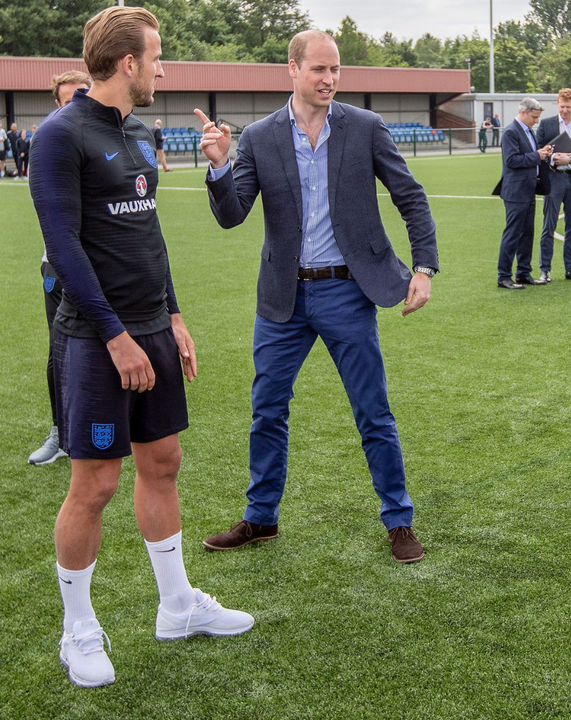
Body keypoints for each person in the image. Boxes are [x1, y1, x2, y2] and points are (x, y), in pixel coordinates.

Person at [29, 6, 253, 689]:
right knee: (94, 483)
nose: (164, 68)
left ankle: (179, 606)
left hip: (152, 329)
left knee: (164, 462)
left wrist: (174, 315)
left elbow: (146, 239)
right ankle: (78, 630)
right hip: (97, 339)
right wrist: (117, 335)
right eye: (157, 56)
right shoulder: (59, 136)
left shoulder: (139, 132)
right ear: (128, 63)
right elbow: (65, 251)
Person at [198, 30, 438, 564]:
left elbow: (410, 197)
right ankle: (261, 519)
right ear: (292, 69)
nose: (329, 79)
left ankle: (399, 520)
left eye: (335, 71)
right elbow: (232, 214)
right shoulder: (259, 137)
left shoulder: (365, 127)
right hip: (283, 298)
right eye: (319, 70)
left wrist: (422, 267)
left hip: (347, 293)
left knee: (372, 411)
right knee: (267, 410)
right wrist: (219, 165)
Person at [28, 69, 93, 467]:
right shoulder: (50, 142)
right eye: (68, 99)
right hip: (57, 266)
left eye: (82, 95)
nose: (76, 104)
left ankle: (117, 431)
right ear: (58, 105)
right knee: (60, 351)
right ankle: (61, 433)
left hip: (108, 265)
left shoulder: (110, 138)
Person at [536, 88, 571, 283]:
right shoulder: (546, 125)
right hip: (553, 180)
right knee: (548, 226)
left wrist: (570, 160)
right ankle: (545, 270)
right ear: (557, 104)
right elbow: (538, 150)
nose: (565, 110)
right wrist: (553, 157)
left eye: (568, 107)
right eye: (562, 107)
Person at [496, 97, 553, 289]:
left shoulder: (528, 131)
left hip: (529, 190)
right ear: (523, 112)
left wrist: (541, 152)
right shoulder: (511, 132)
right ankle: (504, 276)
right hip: (515, 191)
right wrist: (537, 155)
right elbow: (512, 160)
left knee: (527, 233)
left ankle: (523, 272)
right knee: (512, 234)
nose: (536, 121)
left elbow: (528, 155)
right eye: (534, 117)